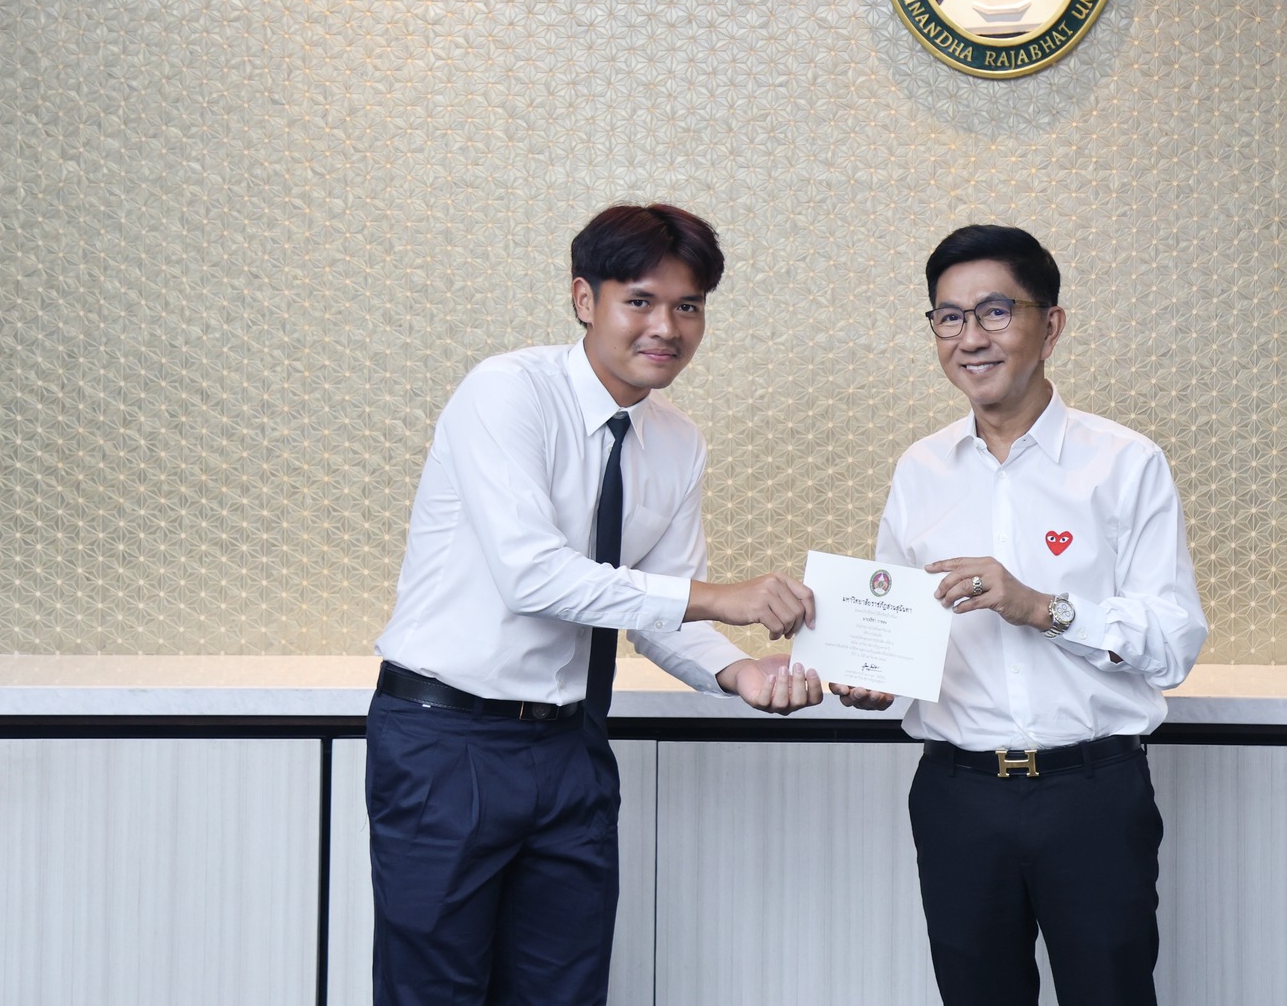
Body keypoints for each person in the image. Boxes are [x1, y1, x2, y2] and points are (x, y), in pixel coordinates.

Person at [368, 203, 824, 1006]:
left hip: (572, 749)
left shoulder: (677, 442)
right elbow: (533, 576)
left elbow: (660, 611)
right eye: (640, 300)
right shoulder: (507, 391)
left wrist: (739, 673)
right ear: (585, 299)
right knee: (433, 992)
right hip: (447, 741)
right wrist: (725, 597)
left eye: (688, 306)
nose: (667, 327)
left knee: (566, 991)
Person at [832, 224, 1208, 1006]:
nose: (970, 337)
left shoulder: (1125, 462)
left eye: (995, 312)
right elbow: (898, 635)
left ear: (1051, 325)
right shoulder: (919, 469)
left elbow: (1173, 643)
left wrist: (1040, 606)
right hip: (958, 795)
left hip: (1092, 792)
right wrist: (872, 679)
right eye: (949, 317)